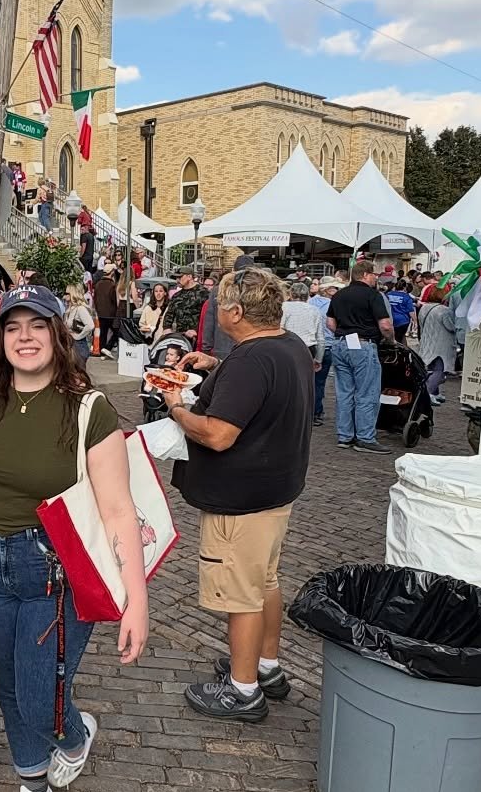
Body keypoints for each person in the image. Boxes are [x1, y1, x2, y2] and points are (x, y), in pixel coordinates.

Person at [0, 284, 148, 792]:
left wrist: (135, 600)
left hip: (53, 567)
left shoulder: (89, 408)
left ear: (58, 334)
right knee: (10, 686)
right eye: (12, 326)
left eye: (37, 325)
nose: (25, 337)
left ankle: (73, 734)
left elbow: (119, 510)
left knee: (42, 698)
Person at [168, 268, 314, 723]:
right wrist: (215, 367)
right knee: (264, 581)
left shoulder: (252, 360)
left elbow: (217, 434)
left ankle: (243, 689)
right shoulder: (287, 345)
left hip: (241, 498)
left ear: (234, 312)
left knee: (241, 595)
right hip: (274, 491)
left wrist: (176, 409)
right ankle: (265, 667)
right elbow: (261, 388)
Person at [326, 261, 393, 449]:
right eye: (374, 275)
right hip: (363, 344)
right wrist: (390, 340)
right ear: (365, 275)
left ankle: (344, 435)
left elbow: (330, 323)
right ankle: (365, 437)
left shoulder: (338, 295)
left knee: (344, 392)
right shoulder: (373, 295)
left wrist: (343, 331)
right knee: (367, 392)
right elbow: (385, 325)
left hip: (340, 343)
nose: (376, 278)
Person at [416, 289, 458, 402]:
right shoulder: (444, 311)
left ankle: (435, 392)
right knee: (440, 371)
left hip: (426, 342)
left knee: (431, 368)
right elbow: (451, 326)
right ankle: (428, 393)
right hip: (441, 344)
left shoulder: (424, 308)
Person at [309, 280, 335, 422]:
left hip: (310, 345)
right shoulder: (332, 305)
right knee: (319, 382)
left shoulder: (309, 303)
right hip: (326, 345)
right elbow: (332, 325)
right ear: (328, 290)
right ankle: (316, 412)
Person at [164, 267, 206, 342]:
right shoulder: (176, 296)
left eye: (180, 277)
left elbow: (208, 316)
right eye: (176, 278)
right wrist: (167, 328)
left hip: (198, 337)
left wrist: (196, 330)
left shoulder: (203, 293)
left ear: (189, 277)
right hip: (181, 337)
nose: (177, 280)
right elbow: (169, 314)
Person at [91, 264, 120, 357]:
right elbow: (114, 300)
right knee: (117, 332)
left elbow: (95, 298)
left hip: (100, 313)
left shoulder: (98, 284)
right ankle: (107, 348)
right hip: (111, 313)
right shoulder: (112, 285)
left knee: (103, 333)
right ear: (111, 273)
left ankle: (101, 350)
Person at [386, 276, 415, 344]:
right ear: (405, 287)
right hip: (403, 321)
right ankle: (402, 352)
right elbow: (411, 311)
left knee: (392, 338)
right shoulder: (406, 297)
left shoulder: (388, 294)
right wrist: (415, 321)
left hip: (390, 320)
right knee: (401, 337)